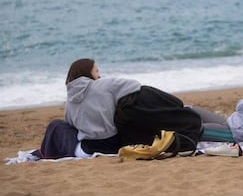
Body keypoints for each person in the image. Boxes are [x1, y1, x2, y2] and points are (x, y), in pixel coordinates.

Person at [33, 58, 203, 159]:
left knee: (56, 126)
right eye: (96, 71)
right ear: (87, 73)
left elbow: (73, 127)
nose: (99, 75)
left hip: (85, 149)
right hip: (113, 145)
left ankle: (44, 153)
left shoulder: (69, 102)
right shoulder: (104, 85)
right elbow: (134, 85)